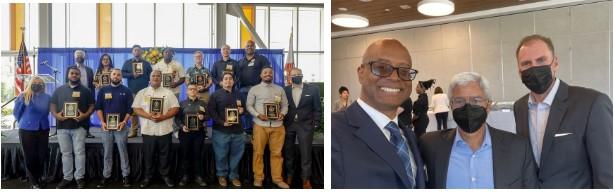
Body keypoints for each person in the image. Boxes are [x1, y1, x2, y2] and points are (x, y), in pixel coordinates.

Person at [513, 34, 612, 188]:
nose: (534, 68)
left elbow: (607, 174)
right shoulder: (519, 107)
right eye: (526, 64)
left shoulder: (592, 103)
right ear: (519, 71)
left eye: (541, 60)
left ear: (555, 63)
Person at [332, 38, 425, 188]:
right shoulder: (334, 131)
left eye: (404, 71)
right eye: (381, 68)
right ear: (361, 73)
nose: (395, 77)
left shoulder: (410, 136)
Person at [418, 72, 538, 189]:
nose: (468, 106)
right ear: (451, 106)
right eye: (459, 101)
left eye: (476, 100)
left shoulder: (518, 147)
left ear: (488, 105)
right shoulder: (430, 144)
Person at [132, 70, 180, 188]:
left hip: (164, 129)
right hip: (148, 130)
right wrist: (149, 116)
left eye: (158, 76)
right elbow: (136, 109)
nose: (156, 77)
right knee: (149, 155)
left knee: (165, 155)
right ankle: (148, 177)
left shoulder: (168, 93)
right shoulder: (142, 93)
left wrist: (163, 117)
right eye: (153, 75)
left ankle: (166, 176)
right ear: (150, 78)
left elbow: (175, 108)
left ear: (161, 78)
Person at [51, 66, 95, 189]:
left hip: (79, 127)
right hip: (62, 127)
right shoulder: (59, 90)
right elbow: (53, 105)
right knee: (66, 153)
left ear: (80, 76)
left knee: (80, 152)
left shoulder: (86, 90)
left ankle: (79, 177)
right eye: (72, 73)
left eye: (77, 73)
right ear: (68, 74)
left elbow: (92, 105)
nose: (74, 75)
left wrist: (85, 115)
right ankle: (67, 178)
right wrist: (56, 115)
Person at [246, 66, 289, 188]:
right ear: (261, 75)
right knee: (258, 153)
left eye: (270, 72)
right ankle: (258, 178)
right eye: (265, 72)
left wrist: (282, 114)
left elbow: (285, 105)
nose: (268, 74)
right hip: (260, 125)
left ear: (273, 75)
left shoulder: (280, 89)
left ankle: (277, 179)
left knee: (277, 154)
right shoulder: (254, 89)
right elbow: (249, 105)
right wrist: (258, 115)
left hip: (278, 126)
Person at [283, 68, 321, 189]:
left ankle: (306, 179)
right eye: (293, 75)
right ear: (290, 77)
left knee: (306, 153)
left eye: (298, 74)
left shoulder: (313, 89)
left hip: (305, 125)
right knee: (288, 152)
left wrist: (316, 123)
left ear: (302, 76)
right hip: (288, 125)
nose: (296, 76)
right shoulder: (285, 90)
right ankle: (289, 175)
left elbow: (317, 108)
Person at [95, 69, 134, 188]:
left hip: (121, 127)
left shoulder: (127, 91)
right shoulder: (103, 90)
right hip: (106, 127)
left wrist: (124, 122)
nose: (116, 76)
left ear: (121, 77)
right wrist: (102, 122)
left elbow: (130, 110)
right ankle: (106, 176)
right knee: (107, 152)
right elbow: (99, 108)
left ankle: (126, 176)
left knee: (123, 152)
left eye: (118, 75)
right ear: (110, 76)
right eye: (114, 74)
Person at [208, 72, 245, 188]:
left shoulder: (239, 94)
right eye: (226, 79)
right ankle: (221, 175)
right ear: (222, 82)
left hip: (238, 131)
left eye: (230, 79)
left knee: (236, 155)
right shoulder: (215, 95)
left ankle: (233, 176)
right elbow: (211, 112)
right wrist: (222, 122)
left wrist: (242, 111)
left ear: (233, 81)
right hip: (221, 131)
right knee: (221, 155)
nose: (228, 81)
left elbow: (244, 109)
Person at [13, 76, 51, 189]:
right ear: (30, 84)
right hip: (26, 129)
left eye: (40, 83)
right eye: (35, 82)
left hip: (43, 128)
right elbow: (16, 112)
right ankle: (34, 182)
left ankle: (39, 177)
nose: (37, 84)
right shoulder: (23, 95)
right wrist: (25, 122)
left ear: (43, 86)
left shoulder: (48, 97)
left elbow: (48, 111)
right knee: (29, 156)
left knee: (41, 155)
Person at [175, 83, 209, 187]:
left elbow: (208, 115)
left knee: (197, 154)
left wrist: (204, 118)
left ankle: (198, 176)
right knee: (185, 155)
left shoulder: (203, 103)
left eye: (195, 89)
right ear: (187, 91)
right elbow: (177, 119)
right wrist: (182, 127)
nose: (193, 91)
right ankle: (185, 176)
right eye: (190, 89)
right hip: (185, 133)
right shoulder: (181, 104)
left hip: (199, 133)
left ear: (197, 91)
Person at [238, 40, 271, 131]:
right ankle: (248, 129)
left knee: (259, 108)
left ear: (254, 47)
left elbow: (268, 72)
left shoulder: (261, 59)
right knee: (246, 110)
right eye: (247, 46)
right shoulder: (240, 61)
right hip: (243, 89)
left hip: (258, 88)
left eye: (251, 46)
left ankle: (261, 128)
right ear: (245, 48)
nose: (249, 47)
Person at [122, 44, 152, 138]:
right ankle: (134, 131)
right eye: (135, 50)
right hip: (132, 91)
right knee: (134, 111)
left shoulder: (146, 63)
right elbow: (122, 73)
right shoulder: (127, 63)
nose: (137, 52)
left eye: (138, 50)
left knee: (145, 110)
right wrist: (132, 75)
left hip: (145, 91)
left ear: (141, 52)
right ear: (132, 52)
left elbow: (151, 75)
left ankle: (145, 131)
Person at [64, 49, 95, 138]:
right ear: (75, 57)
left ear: (84, 57)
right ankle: (73, 131)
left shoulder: (89, 70)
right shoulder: (70, 69)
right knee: (73, 112)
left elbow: (92, 84)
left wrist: (92, 95)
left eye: (81, 56)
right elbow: (67, 81)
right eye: (77, 56)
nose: (79, 57)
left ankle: (87, 131)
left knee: (86, 113)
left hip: (86, 94)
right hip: (73, 93)